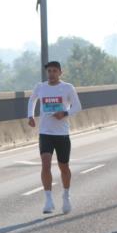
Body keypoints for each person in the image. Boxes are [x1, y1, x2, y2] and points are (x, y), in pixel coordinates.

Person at [27, 60, 82, 215]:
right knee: (45, 164)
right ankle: (48, 199)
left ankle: (66, 195)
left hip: (62, 134)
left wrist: (64, 113)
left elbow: (77, 106)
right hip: (45, 133)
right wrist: (30, 116)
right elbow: (32, 100)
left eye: (54, 71)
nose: (51, 74)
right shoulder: (41, 87)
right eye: (49, 71)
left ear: (60, 72)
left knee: (63, 167)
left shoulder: (67, 88)